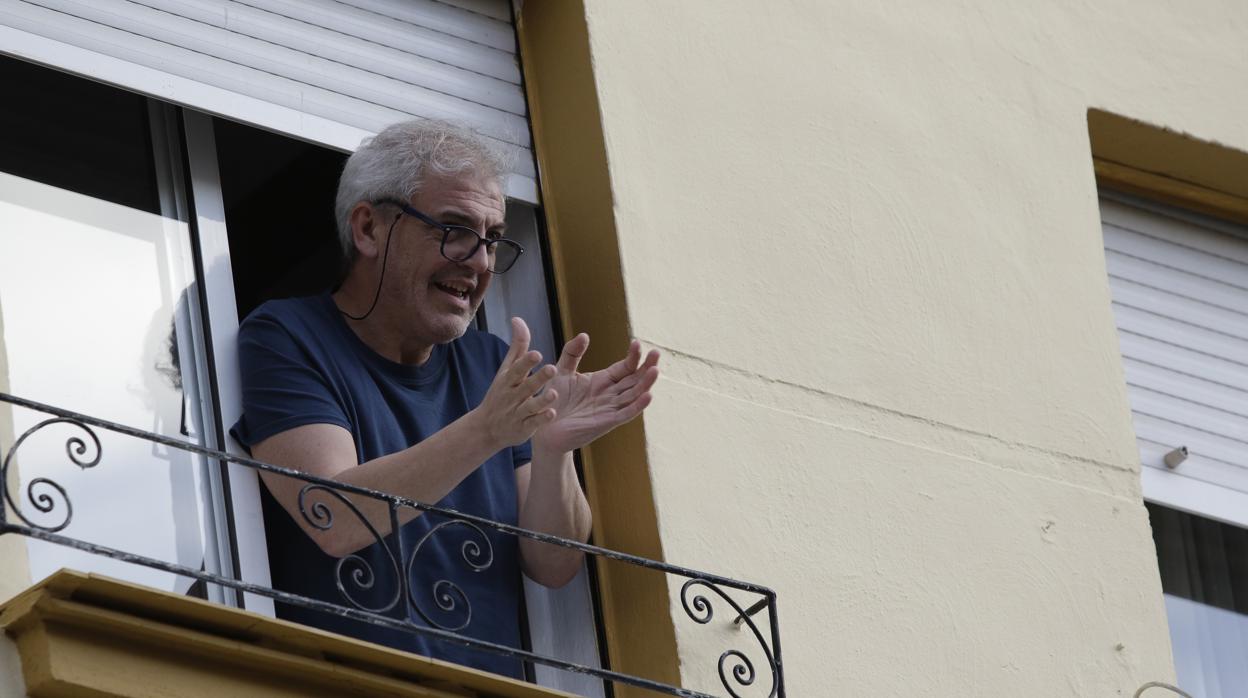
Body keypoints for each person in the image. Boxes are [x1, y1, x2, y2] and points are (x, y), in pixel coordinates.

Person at [229, 120, 659, 678]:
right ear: (368, 229)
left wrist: (553, 447)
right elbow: (333, 515)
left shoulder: (489, 366)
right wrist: (488, 430)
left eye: (493, 239)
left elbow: (553, 564)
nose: (480, 263)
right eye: (454, 229)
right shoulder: (287, 335)